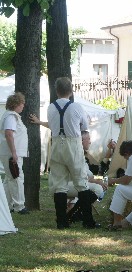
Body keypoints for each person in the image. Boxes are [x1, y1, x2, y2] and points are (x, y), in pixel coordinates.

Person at [47, 77, 99, 229]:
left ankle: (62, 222)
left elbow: (51, 124)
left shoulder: (51, 107)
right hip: (73, 144)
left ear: (56, 91)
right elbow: (84, 126)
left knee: (59, 184)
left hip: (57, 143)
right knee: (81, 182)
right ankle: (88, 221)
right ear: (71, 91)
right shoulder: (76, 107)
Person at [0, 92, 29, 214]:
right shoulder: (11, 117)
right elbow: (9, 134)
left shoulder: (10, 116)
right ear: (16, 104)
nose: (23, 106)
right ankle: (19, 206)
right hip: (11, 153)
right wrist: (14, 152)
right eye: (22, 103)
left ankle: (7, 204)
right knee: (16, 177)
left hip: (10, 152)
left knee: (9, 178)